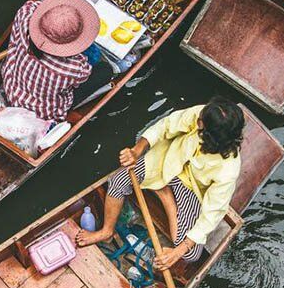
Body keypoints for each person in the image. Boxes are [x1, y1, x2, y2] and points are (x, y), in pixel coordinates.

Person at [76, 98, 244, 270]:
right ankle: (107, 231)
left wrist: (178, 252)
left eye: (201, 123)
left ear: (209, 136)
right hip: (167, 161)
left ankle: (166, 197)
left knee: (191, 254)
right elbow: (166, 126)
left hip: (190, 189)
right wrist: (137, 151)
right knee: (118, 181)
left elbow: (212, 213)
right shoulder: (203, 113)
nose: (197, 119)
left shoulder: (228, 170)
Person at [0, 0, 111, 123]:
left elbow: (34, 6)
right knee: (105, 70)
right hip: (43, 110)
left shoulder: (25, 13)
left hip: (11, 85)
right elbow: (83, 73)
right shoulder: (74, 68)